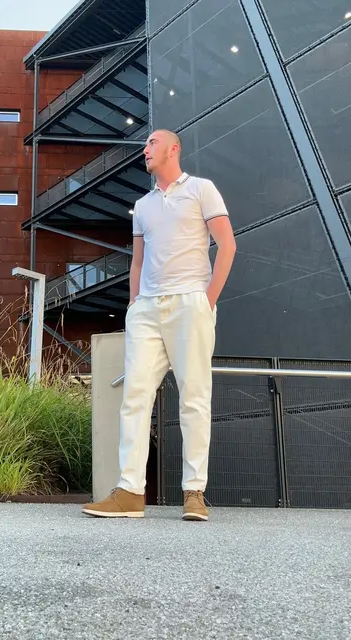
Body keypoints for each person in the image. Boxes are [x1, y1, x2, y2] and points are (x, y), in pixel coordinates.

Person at [83, 129, 236, 521]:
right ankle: (129, 493)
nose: (145, 149)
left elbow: (227, 244)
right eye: (145, 144)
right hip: (147, 309)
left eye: (152, 143)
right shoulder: (143, 205)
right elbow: (137, 261)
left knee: (194, 397)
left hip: (190, 303)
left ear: (174, 148)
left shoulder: (201, 189)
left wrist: (207, 300)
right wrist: (133, 304)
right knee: (135, 396)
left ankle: (194, 493)